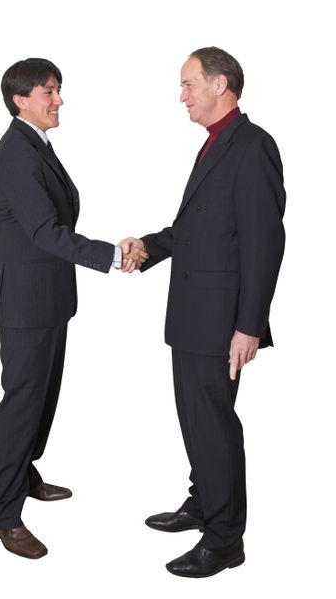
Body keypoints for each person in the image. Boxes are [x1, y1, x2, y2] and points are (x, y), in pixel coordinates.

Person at [120, 47, 286, 578]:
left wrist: (249, 326)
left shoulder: (252, 146)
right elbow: (197, 232)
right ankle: (202, 502)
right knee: (196, 420)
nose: (182, 95)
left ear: (220, 84)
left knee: (213, 426)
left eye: (189, 84)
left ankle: (224, 539)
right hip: (193, 317)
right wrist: (146, 246)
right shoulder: (215, 144)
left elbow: (265, 242)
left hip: (220, 323)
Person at [0, 58, 148, 559]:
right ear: (20, 99)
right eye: (49, 92)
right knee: (22, 403)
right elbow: (41, 231)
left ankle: (25, 471)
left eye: (58, 90)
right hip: (26, 301)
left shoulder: (36, 145)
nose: (58, 100)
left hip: (50, 297)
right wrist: (111, 254)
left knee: (43, 396)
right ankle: (5, 514)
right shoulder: (17, 151)